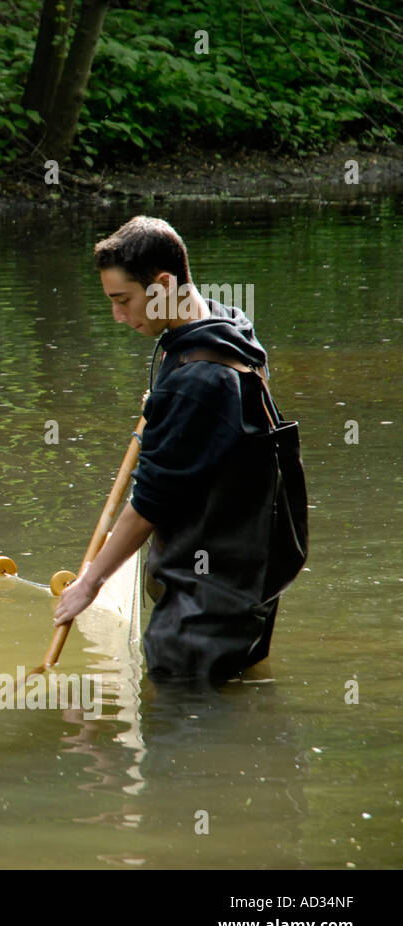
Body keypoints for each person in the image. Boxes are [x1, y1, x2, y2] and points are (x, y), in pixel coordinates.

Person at [52, 216, 303, 684]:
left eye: (123, 300)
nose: (119, 317)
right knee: (231, 692)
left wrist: (89, 583)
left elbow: (148, 504)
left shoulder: (199, 381)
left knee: (181, 713)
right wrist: (168, 411)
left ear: (163, 284)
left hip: (210, 597)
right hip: (249, 578)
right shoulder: (226, 327)